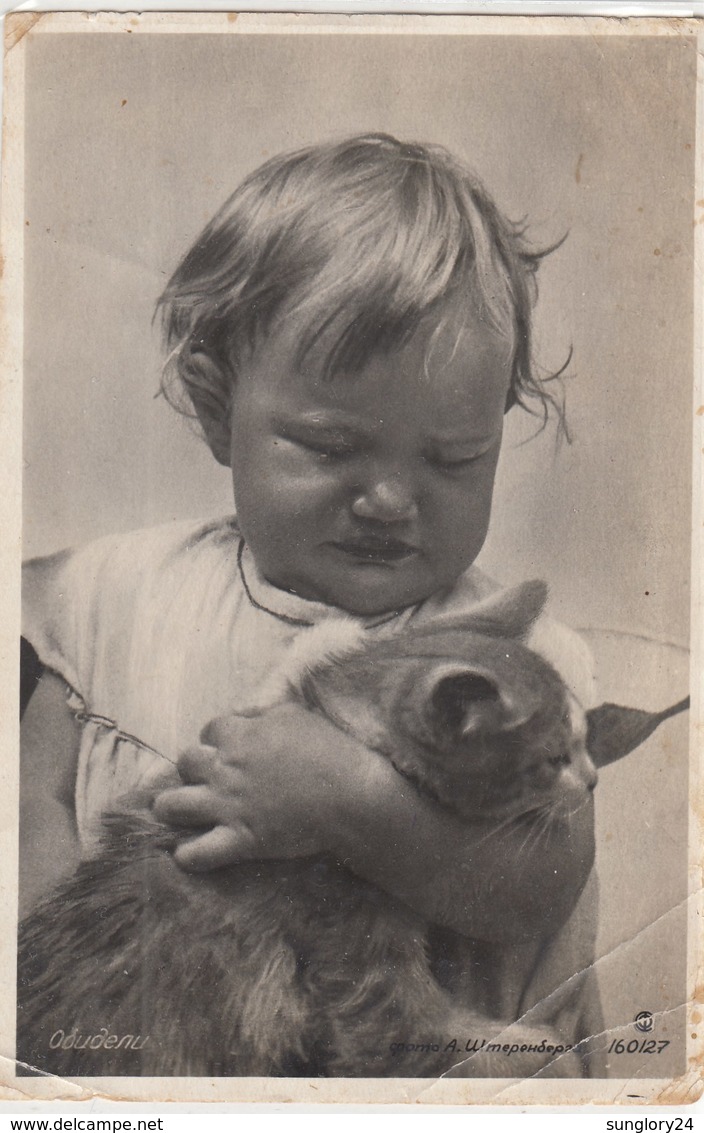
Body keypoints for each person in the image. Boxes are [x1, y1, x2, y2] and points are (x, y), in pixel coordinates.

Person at [20, 133, 603, 1076]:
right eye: (331, 448)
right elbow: (25, 798)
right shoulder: (110, 595)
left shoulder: (517, 659)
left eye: (452, 458)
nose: (389, 500)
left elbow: (540, 885)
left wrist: (343, 803)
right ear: (218, 415)